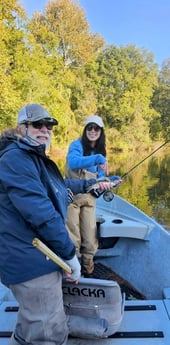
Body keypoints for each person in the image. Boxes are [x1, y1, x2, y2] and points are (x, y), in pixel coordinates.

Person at [0, 104, 112, 345]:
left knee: (37, 319)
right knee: (46, 334)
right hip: (29, 258)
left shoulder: (30, 156)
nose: (45, 130)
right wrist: (70, 255)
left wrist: (96, 184)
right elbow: (41, 213)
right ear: (21, 128)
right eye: (37, 125)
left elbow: (59, 186)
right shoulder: (16, 158)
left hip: (35, 251)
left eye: (48, 126)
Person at [65, 115, 121, 277]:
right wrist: (98, 158)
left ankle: (88, 270)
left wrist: (112, 181)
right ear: (85, 130)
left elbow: (99, 180)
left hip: (89, 200)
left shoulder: (100, 152)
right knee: (73, 238)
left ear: (101, 131)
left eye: (96, 128)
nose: (92, 131)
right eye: (89, 127)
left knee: (90, 240)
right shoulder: (76, 145)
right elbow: (73, 162)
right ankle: (72, 272)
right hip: (71, 199)